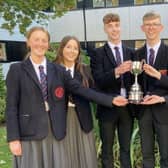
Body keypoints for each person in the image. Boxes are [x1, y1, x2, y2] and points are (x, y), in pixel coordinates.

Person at [5, 26, 128, 168]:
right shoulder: (17, 69)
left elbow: (81, 89)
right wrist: (13, 138)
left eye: (44, 40)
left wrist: (111, 100)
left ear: (48, 44)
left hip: (55, 130)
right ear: (28, 42)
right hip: (30, 133)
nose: (40, 44)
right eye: (36, 40)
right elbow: (11, 107)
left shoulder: (58, 70)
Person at [90, 13, 135, 168]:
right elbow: (99, 81)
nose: (114, 29)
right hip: (108, 108)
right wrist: (117, 71)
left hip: (128, 108)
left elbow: (137, 80)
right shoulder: (98, 53)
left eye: (116, 25)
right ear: (105, 29)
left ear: (120, 27)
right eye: (110, 26)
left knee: (125, 150)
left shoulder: (131, 52)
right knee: (107, 152)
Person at [54, 35, 98, 168]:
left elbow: (95, 92)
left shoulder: (85, 70)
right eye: (68, 47)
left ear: (78, 52)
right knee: (63, 155)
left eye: (75, 48)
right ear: (62, 48)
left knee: (85, 156)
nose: (72, 51)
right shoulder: (52, 69)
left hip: (82, 119)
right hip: (60, 119)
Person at [136, 11, 168, 168]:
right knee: (147, 156)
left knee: (166, 157)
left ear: (161, 27)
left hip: (164, 111)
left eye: (154, 24)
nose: (151, 28)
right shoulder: (136, 54)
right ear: (142, 28)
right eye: (148, 25)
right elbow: (133, 83)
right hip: (144, 112)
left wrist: (158, 76)